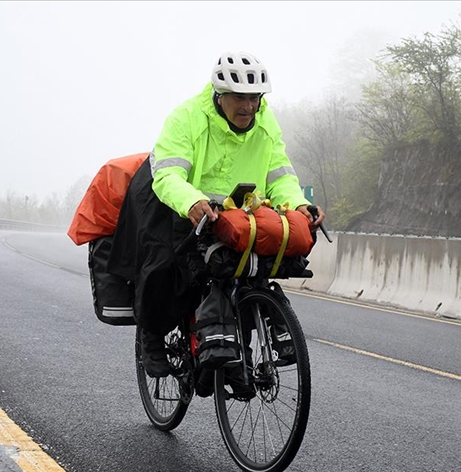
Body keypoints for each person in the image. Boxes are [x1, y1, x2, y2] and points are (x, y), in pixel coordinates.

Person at [109, 51, 325, 378]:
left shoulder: (266, 123)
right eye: (239, 98)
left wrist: (298, 205)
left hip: (230, 211)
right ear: (220, 95)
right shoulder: (187, 117)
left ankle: (234, 353)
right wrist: (191, 202)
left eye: (254, 98)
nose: (248, 107)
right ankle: (152, 336)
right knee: (164, 262)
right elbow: (167, 177)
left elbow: (280, 176)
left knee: (246, 270)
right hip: (172, 199)